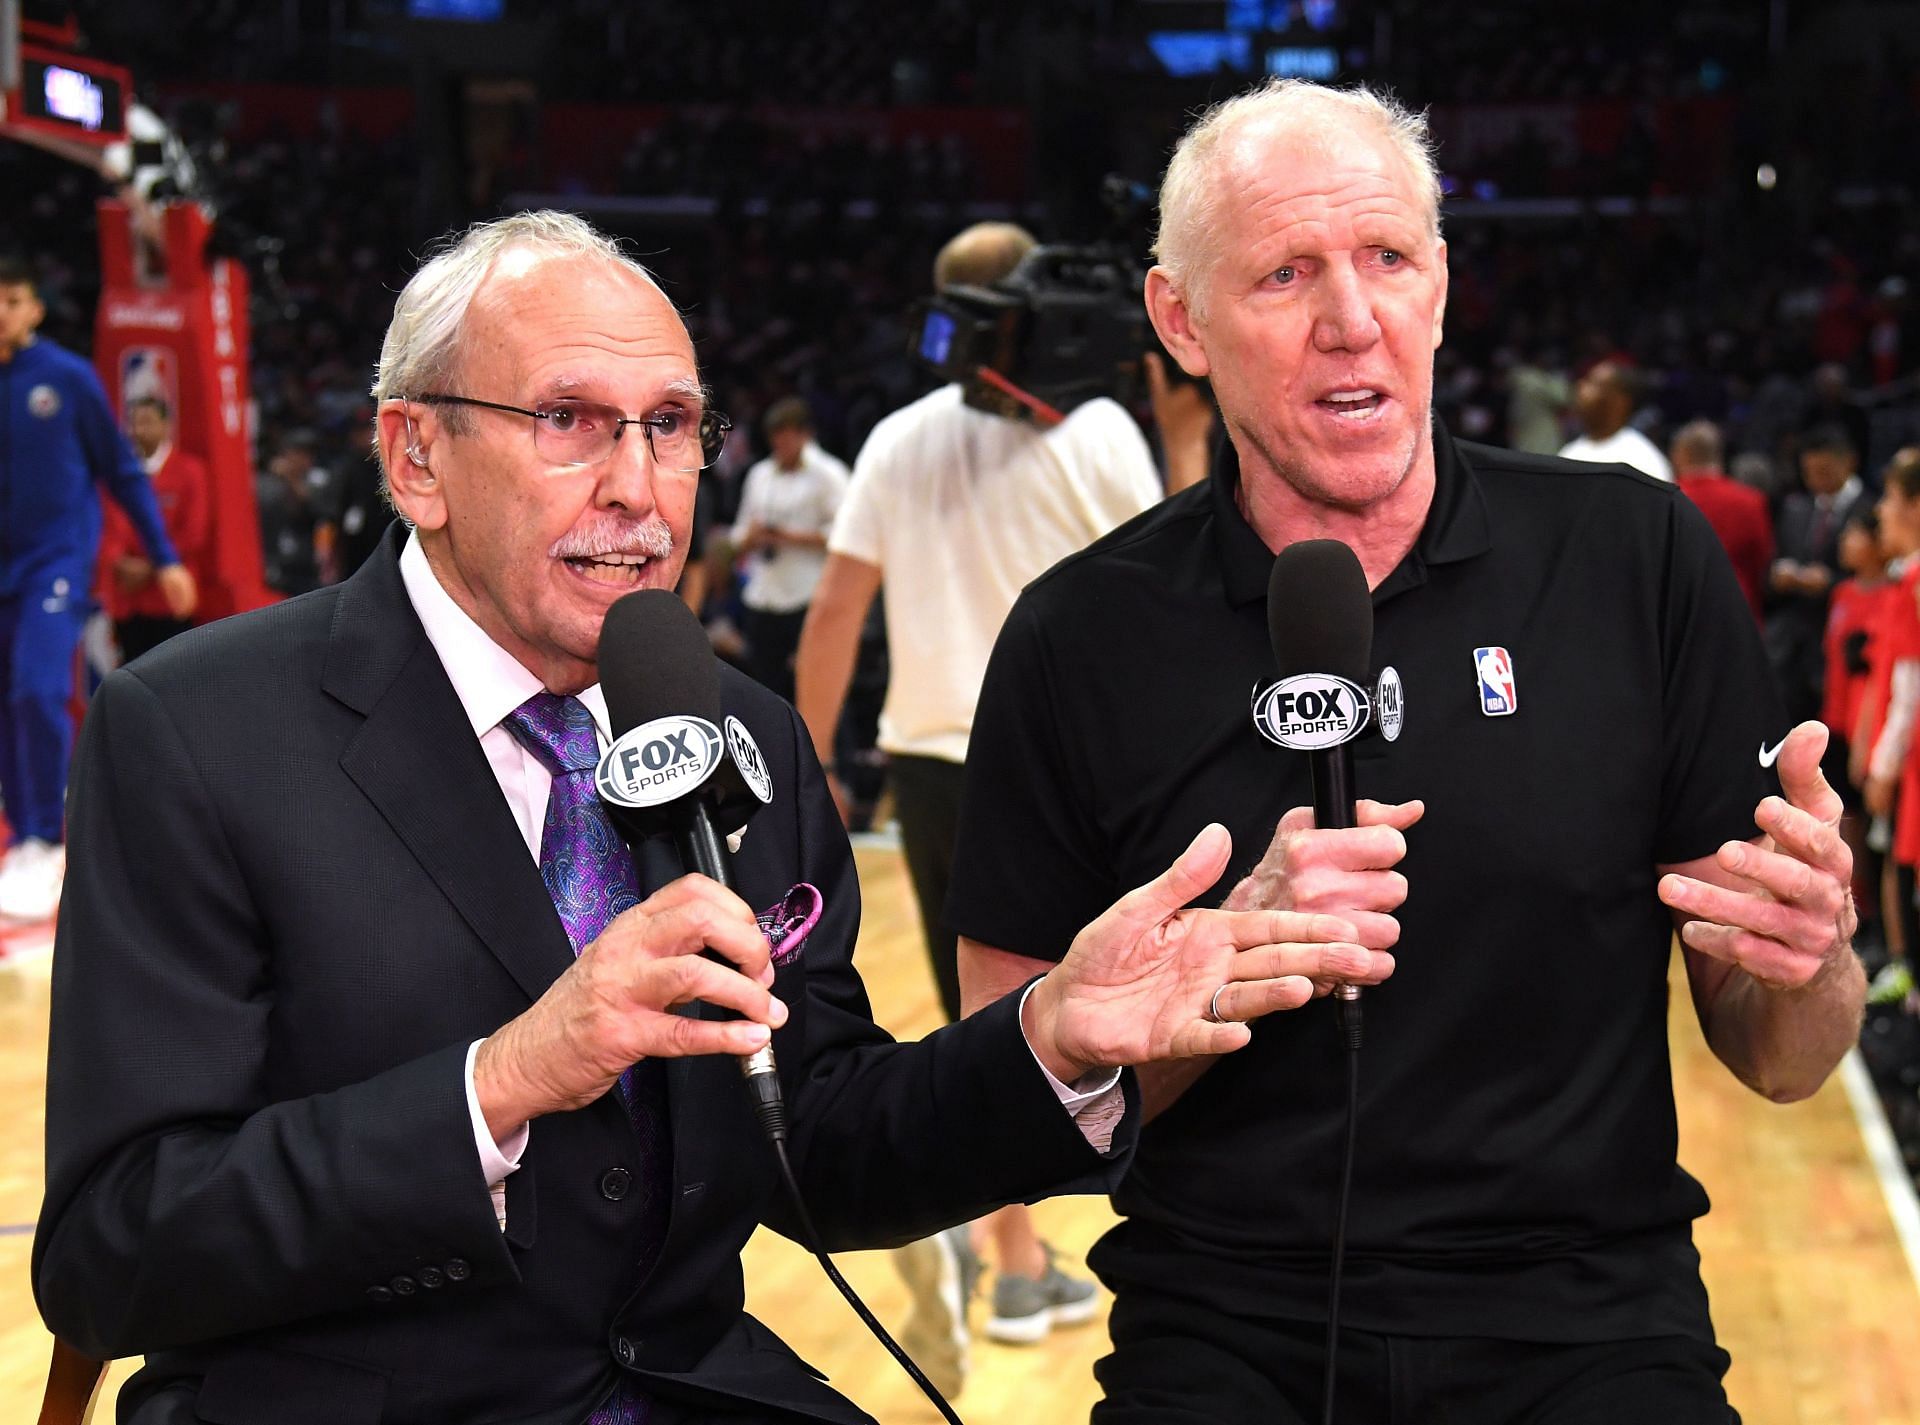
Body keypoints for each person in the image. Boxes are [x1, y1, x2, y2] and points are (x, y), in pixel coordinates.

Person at [32, 210, 1390, 1425]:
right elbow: (111, 1254)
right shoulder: (197, 732)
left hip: (688, 1380)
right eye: (568, 418)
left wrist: (1047, 1041)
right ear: (415, 457)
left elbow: (826, 1147)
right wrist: (501, 1080)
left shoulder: (744, 733)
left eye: (672, 424)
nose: (639, 484)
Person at [948, 80, 1865, 1424]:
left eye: (1387, 258)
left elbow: (1785, 1058)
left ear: (1441, 283)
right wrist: (1227, 976)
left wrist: (1813, 960)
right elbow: (996, 1107)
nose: (1351, 320)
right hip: (1221, 1329)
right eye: (1284, 273)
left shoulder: (1632, 560)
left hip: (1591, 1326)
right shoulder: (1075, 635)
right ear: (1178, 322)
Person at [794, 220, 1175, 1380]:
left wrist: (802, 786)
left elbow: (833, 620)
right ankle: (1130, 1258)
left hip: (927, 760)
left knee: (983, 1027)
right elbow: (1167, 605)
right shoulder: (1103, 433)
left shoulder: (897, 440)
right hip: (1075, 766)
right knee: (1120, 1012)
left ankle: (1009, 1263)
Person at [0, 257, 195, 924]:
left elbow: (121, 471)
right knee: (7, 697)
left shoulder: (66, 379)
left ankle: (46, 839)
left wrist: (165, 557)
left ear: (34, 309)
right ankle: (23, 831)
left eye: (13, 296)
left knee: (35, 687)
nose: (2, 309)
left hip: (52, 564)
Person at [729, 398, 849, 702]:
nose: (780, 442)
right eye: (775, 436)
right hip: (764, 594)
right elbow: (738, 534)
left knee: (817, 688)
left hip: (806, 596)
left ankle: (827, 750)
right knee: (764, 690)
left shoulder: (829, 474)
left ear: (804, 434)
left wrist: (790, 537)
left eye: (787, 434)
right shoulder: (760, 474)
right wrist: (752, 538)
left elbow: (846, 536)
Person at [96, 396, 213, 661]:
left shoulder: (189, 471)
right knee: (129, 672)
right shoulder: (118, 475)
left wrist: (153, 565)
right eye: (135, 423)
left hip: (169, 596)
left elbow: (194, 533)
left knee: (172, 673)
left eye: (147, 422)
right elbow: (107, 525)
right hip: (126, 596)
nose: (139, 430)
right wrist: (118, 562)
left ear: (166, 425)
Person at [1768, 425, 1867, 726]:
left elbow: (1877, 578)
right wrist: (1779, 577)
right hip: (1792, 648)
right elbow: (1770, 571)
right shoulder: (1795, 508)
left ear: (1848, 461)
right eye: (1808, 471)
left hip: (1845, 642)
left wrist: (1830, 584)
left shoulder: (1872, 509)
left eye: (1823, 470)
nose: (1815, 479)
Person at [1672, 419, 1773, 623]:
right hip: (1737, 613)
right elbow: (1762, 562)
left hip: (1679, 617)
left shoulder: (1664, 501)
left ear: (1680, 454)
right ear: (1719, 454)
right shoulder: (1751, 501)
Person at [1558, 359, 1674, 482]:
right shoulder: (1570, 451)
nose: (1580, 387)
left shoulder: (1642, 459)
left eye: (1593, 383)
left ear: (1620, 402)